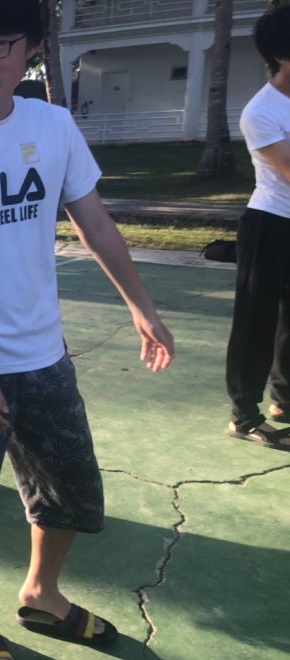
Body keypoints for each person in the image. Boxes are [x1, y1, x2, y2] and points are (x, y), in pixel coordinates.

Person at [0, 0, 174, 660]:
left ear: (29, 49)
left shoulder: (52, 126)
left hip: (44, 353)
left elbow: (95, 224)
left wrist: (142, 307)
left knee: (70, 488)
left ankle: (42, 593)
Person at [225, 4, 290, 450]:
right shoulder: (261, 111)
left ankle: (284, 401)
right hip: (270, 224)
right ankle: (244, 416)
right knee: (256, 322)